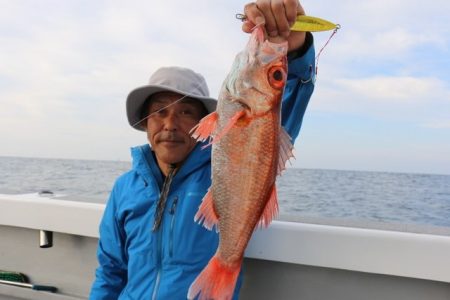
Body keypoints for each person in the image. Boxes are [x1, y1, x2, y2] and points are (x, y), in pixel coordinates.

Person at [90, 0, 315, 299]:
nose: (170, 124)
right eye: (160, 112)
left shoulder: (217, 170)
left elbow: (280, 114)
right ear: (145, 123)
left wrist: (294, 49)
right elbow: (111, 270)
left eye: (185, 113)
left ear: (207, 122)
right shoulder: (124, 189)